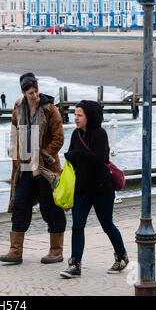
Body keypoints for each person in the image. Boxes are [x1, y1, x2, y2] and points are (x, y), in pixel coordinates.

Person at [0, 72, 67, 265]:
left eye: (36, 91)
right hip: (23, 168)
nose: (35, 96)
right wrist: (14, 150)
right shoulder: (18, 108)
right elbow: (14, 129)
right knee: (20, 206)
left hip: (46, 169)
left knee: (51, 208)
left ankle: (56, 250)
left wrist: (43, 154)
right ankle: (15, 251)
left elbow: (59, 138)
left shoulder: (50, 109)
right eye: (30, 93)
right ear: (23, 92)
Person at [60, 100, 129, 278]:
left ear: (89, 117)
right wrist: (75, 156)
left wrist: (78, 155)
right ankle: (75, 264)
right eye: (74, 115)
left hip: (101, 189)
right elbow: (71, 155)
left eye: (79, 115)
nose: (75, 118)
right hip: (81, 189)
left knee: (107, 224)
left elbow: (100, 159)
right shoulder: (76, 134)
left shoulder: (100, 134)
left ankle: (121, 257)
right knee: (77, 226)